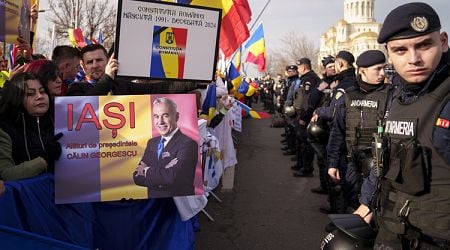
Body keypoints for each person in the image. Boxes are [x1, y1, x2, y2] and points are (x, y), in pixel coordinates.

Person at [352, 2, 450, 249]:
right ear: (389, 53)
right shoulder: (397, 96)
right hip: (393, 232)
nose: (414, 59)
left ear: (444, 42)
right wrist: (367, 203)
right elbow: (385, 158)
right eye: (400, 50)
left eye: (424, 45)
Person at [327, 50, 388, 215]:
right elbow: (337, 132)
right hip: (352, 165)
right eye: (378, 69)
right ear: (362, 71)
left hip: (379, 166)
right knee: (352, 202)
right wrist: (332, 163)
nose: (383, 73)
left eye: (384, 68)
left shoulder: (391, 96)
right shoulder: (348, 96)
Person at [0, 73, 62, 181]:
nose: (40, 96)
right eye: (30, 94)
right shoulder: (5, 129)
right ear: (17, 98)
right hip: (27, 195)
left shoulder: (64, 119)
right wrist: (44, 160)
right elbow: (6, 174)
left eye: (43, 91)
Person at [133, 97, 198, 198]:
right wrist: (163, 173)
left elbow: (173, 177)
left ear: (176, 117)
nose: (160, 122)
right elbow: (137, 177)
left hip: (176, 206)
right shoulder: (152, 143)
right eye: (156, 116)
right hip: (153, 204)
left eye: (165, 115)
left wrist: (146, 171)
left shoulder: (188, 144)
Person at [292, 57, 322, 177]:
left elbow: (307, 101)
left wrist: (304, 117)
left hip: (306, 115)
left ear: (304, 67)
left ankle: (307, 168)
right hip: (303, 114)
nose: (298, 69)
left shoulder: (309, 79)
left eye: (299, 67)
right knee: (301, 142)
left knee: (305, 143)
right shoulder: (307, 78)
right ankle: (301, 164)